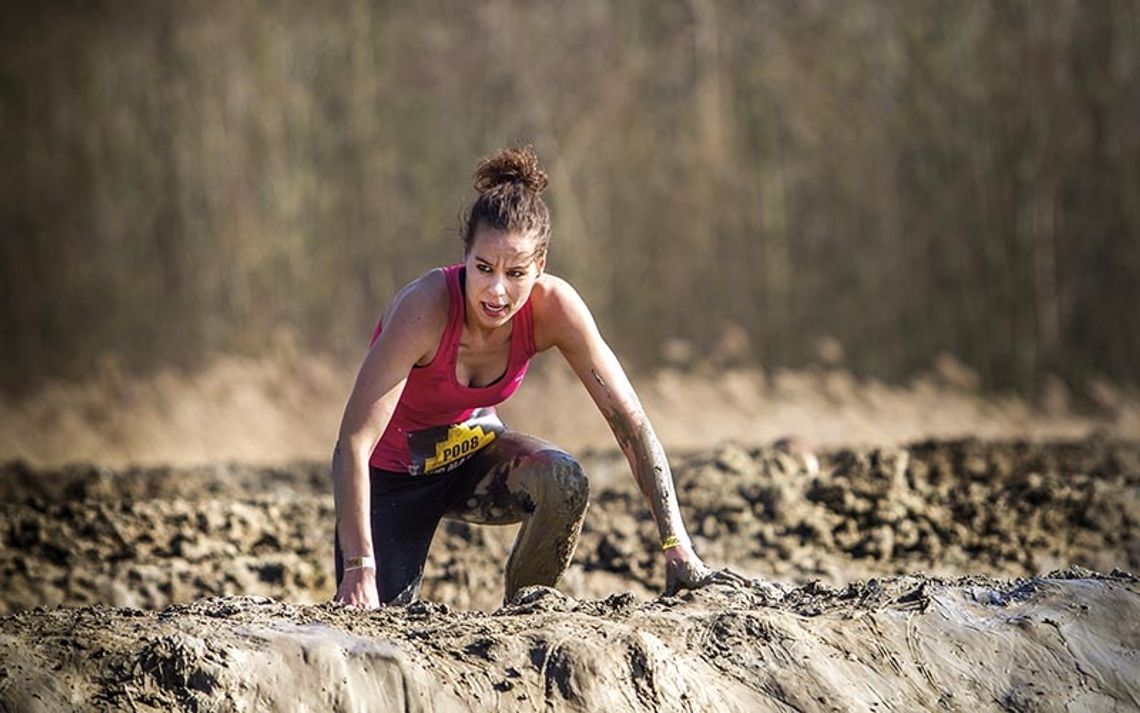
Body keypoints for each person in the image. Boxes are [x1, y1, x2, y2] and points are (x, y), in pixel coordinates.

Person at [332, 146, 716, 608]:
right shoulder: (425, 310)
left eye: (515, 273)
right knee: (379, 623)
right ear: (465, 256)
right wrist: (360, 568)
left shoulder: (555, 309)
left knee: (562, 480)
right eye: (483, 269)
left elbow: (630, 422)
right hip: (393, 479)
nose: (496, 291)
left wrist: (677, 545)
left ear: (541, 265)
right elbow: (352, 443)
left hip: (471, 455)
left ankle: (526, 615)